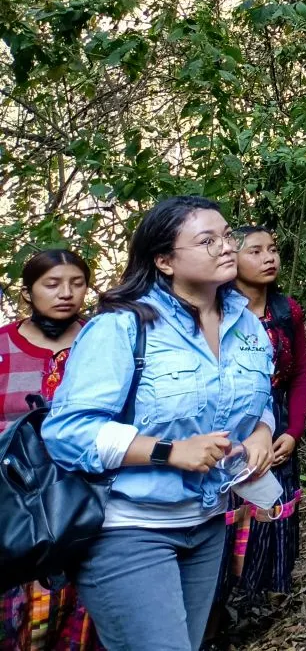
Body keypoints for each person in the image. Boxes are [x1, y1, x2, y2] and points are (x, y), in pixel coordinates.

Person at [44, 197, 278, 651]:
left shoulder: (246, 324)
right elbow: (67, 432)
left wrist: (262, 432)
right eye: (206, 240)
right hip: (128, 527)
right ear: (164, 260)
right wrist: (169, 451)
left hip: (207, 523)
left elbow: (257, 400)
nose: (225, 247)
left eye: (226, 236)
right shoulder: (122, 327)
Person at [1, 250, 98, 651]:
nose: (66, 294)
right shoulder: (4, 345)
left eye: (77, 284)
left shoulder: (102, 342)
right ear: (28, 293)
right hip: (13, 503)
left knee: (80, 616)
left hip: (82, 500)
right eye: (52, 284)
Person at [213, 227, 306, 607]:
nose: (269, 257)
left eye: (272, 249)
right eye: (255, 251)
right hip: (232, 422)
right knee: (230, 511)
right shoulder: (214, 310)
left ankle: (261, 599)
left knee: (273, 505)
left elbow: (300, 373)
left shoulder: (287, 311)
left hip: (279, 421)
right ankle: (219, 604)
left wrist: (293, 431)